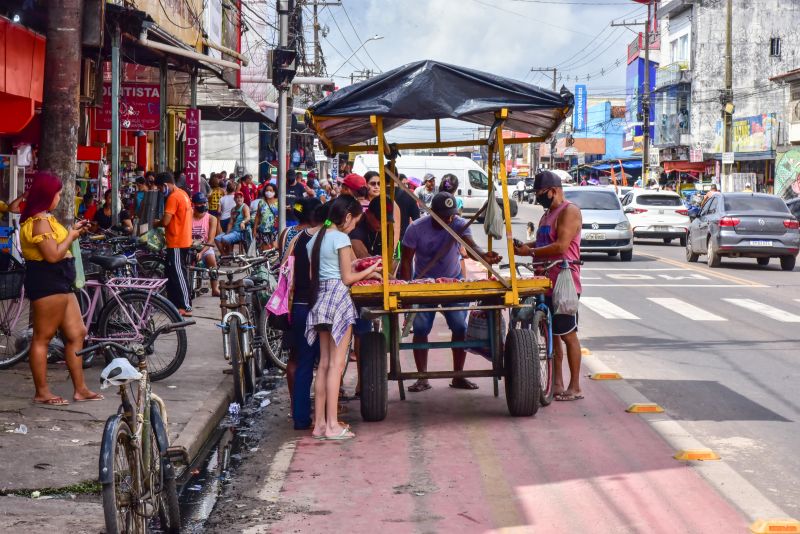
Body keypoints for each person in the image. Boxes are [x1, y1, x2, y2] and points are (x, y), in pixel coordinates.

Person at [401, 192, 502, 392]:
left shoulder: (458, 224)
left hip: (453, 281)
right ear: (432, 213)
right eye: (444, 215)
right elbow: (405, 261)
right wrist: (406, 290)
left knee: (459, 326)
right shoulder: (416, 229)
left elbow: (471, 247)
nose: (449, 219)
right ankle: (422, 377)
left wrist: (483, 256)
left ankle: (458, 375)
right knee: (420, 329)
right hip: (423, 284)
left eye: (451, 215)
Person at [19, 171, 101, 405]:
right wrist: (73, 235)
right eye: (57, 194)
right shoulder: (39, 222)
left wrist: (73, 230)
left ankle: (80, 388)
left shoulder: (46, 218)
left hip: (61, 280)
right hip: (47, 280)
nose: (59, 198)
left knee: (77, 333)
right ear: (48, 196)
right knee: (42, 338)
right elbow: (53, 254)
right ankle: (42, 392)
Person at [306, 195, 382, 440]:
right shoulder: (340, 237)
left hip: (320, 301)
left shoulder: (314, 239)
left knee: (325, 365)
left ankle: (319, 425)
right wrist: (372, 270)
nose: (353, 227)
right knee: (336, 367)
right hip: (339, 300)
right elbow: (348, 278)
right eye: (354, 222)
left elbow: (315, 275)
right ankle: (331, 426)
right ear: (347, 217)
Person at [513, 170, 584, 401]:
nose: (539, 197)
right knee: (552, 335)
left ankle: (575, 386)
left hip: (564, 282)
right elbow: (545, 242)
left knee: (568, 334)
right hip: (543, 278)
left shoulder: (569, 211)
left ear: (553, 191)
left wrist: (530, 251)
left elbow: (561, 246)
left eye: (541, 193)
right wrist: (525, 246)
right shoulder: (546, 215)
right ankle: (557, 383)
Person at [285, 200, 325, 430]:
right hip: (323, 307)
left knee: (302, 363)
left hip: (299, 306)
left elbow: (284, 268)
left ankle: (300, 418)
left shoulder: (297, 239)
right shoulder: (330, 238)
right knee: (328, 364)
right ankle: (324, 418)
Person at [153, 172, 193, 317]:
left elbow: (165, 221)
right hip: (182, 240)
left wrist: (155, 222)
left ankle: (186, 306)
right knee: (173, 273)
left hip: (177, 241)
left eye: (160, 188)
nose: (160, 191)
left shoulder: (173, 197)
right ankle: (175, 305)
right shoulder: (183, 194)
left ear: (165, 185)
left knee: (179, 274)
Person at [191, 192, 220, 297]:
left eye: (204, 203)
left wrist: (201, 252)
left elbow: (211, 240)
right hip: (190, 247)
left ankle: (215, 288)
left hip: (205, 247)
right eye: (199, 203)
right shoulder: (188, 216)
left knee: (212, 260)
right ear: (193, 204)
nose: (202, 205)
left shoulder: (212, 218)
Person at [278, 197, 322, 262]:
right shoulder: (310, 234)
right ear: (311, 215)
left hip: (286, 271)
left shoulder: (286, 231)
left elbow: (281, 258)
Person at [215, 191, 251, 255]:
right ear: (234, 199)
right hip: (233, 231)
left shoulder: (245, 207)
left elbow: (248, 217)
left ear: (243, 198)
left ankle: (229, 253)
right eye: (237, 197)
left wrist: (243, 222)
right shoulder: (233, 209)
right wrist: (227, 233)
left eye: (240, 197)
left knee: (224, 239)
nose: (239, 199)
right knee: (217, 239)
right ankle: (225, 255)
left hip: (240, 232)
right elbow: (230, 223)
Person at [395, 173, 421, 241]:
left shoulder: (409, 196)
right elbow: (417, 219)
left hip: (402, 237)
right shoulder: (408, 196)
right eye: (404, 184)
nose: (406, 186)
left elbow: (416, 218)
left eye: (407, 184)